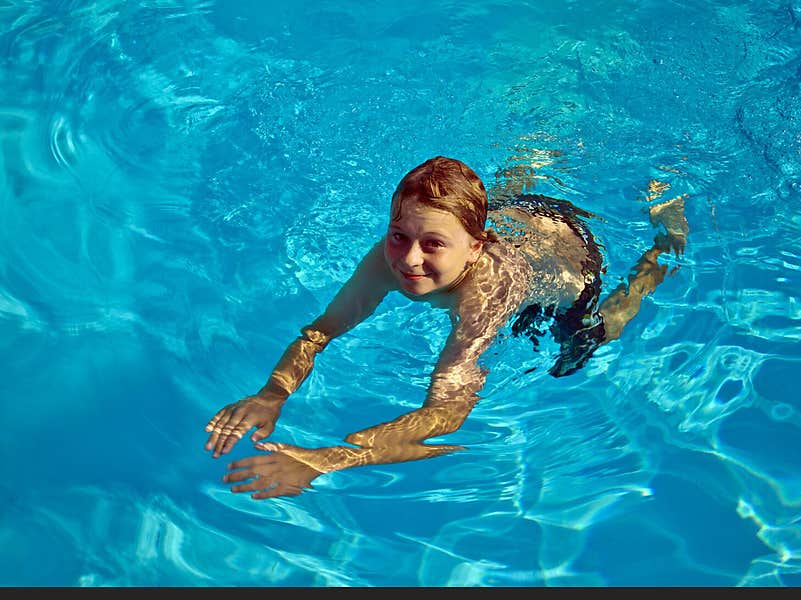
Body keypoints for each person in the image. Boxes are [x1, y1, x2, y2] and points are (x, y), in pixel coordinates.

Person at [204, 156, 689, 499]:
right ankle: (525, 164)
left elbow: (447, 413)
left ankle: (669, 233)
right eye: (399, 236)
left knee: (590, 338)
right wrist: (272, 393)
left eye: (430, 244)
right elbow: (320, 332)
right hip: (509, 217)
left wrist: (321, 460)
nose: (408, 260)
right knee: (485, 207)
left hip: (567, 260)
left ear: (474, 249)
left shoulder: (486, 294)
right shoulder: (390, 256)